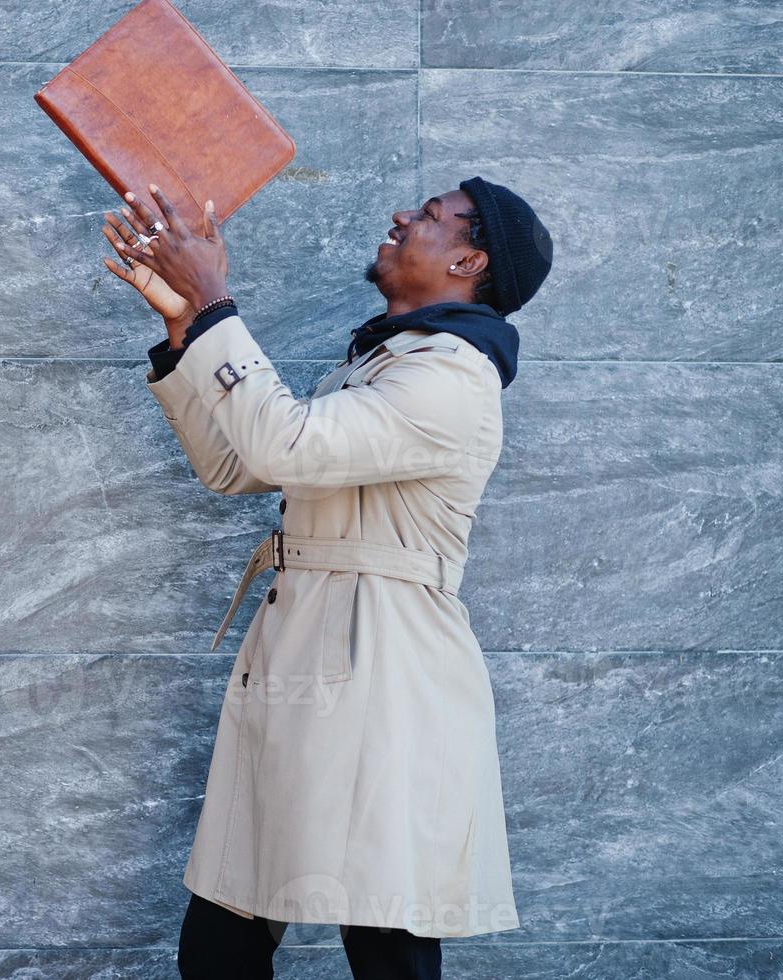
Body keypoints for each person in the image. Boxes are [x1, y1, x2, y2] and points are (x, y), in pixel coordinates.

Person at [100, 177, 553, 979]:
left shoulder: (450, 375)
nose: (402, 217)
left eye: (430, 216)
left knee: (383, 928)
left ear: (469, 259)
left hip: (384, 676)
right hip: (305, 656)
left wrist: (213, 302)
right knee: (226, 922)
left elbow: (283, 448)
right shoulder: (381, 362)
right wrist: (183, 327)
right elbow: (236, 466)